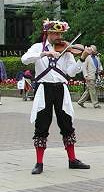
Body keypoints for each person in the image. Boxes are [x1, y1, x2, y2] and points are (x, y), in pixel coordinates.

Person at [21, 19, 91, 175]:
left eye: (61, 33)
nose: (59, 36)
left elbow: (72, 72)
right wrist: (45, 53)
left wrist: (82, 58)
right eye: (55, 33)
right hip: (44, 90)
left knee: (67, 124)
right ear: (48, 33)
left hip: (61, 89)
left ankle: (72, 160)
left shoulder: (66, 50)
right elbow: (24, 59)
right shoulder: (38, 47)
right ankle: (39, 163)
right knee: (41, 125)